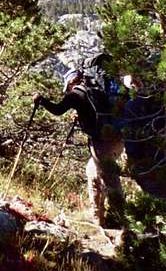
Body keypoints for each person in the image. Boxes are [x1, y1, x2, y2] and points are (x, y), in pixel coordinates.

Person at [33, 55, 130, 228]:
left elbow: (57, 110)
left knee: (109, 179)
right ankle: (98, 217)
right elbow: (94, 111)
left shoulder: (76, 94)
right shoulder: (96, 91)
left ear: (71, 82)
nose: (68, 90)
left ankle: (122, 221)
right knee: (92, 172)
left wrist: (41, 100)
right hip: (117, 137)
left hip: (102, 142)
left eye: (68, 86)